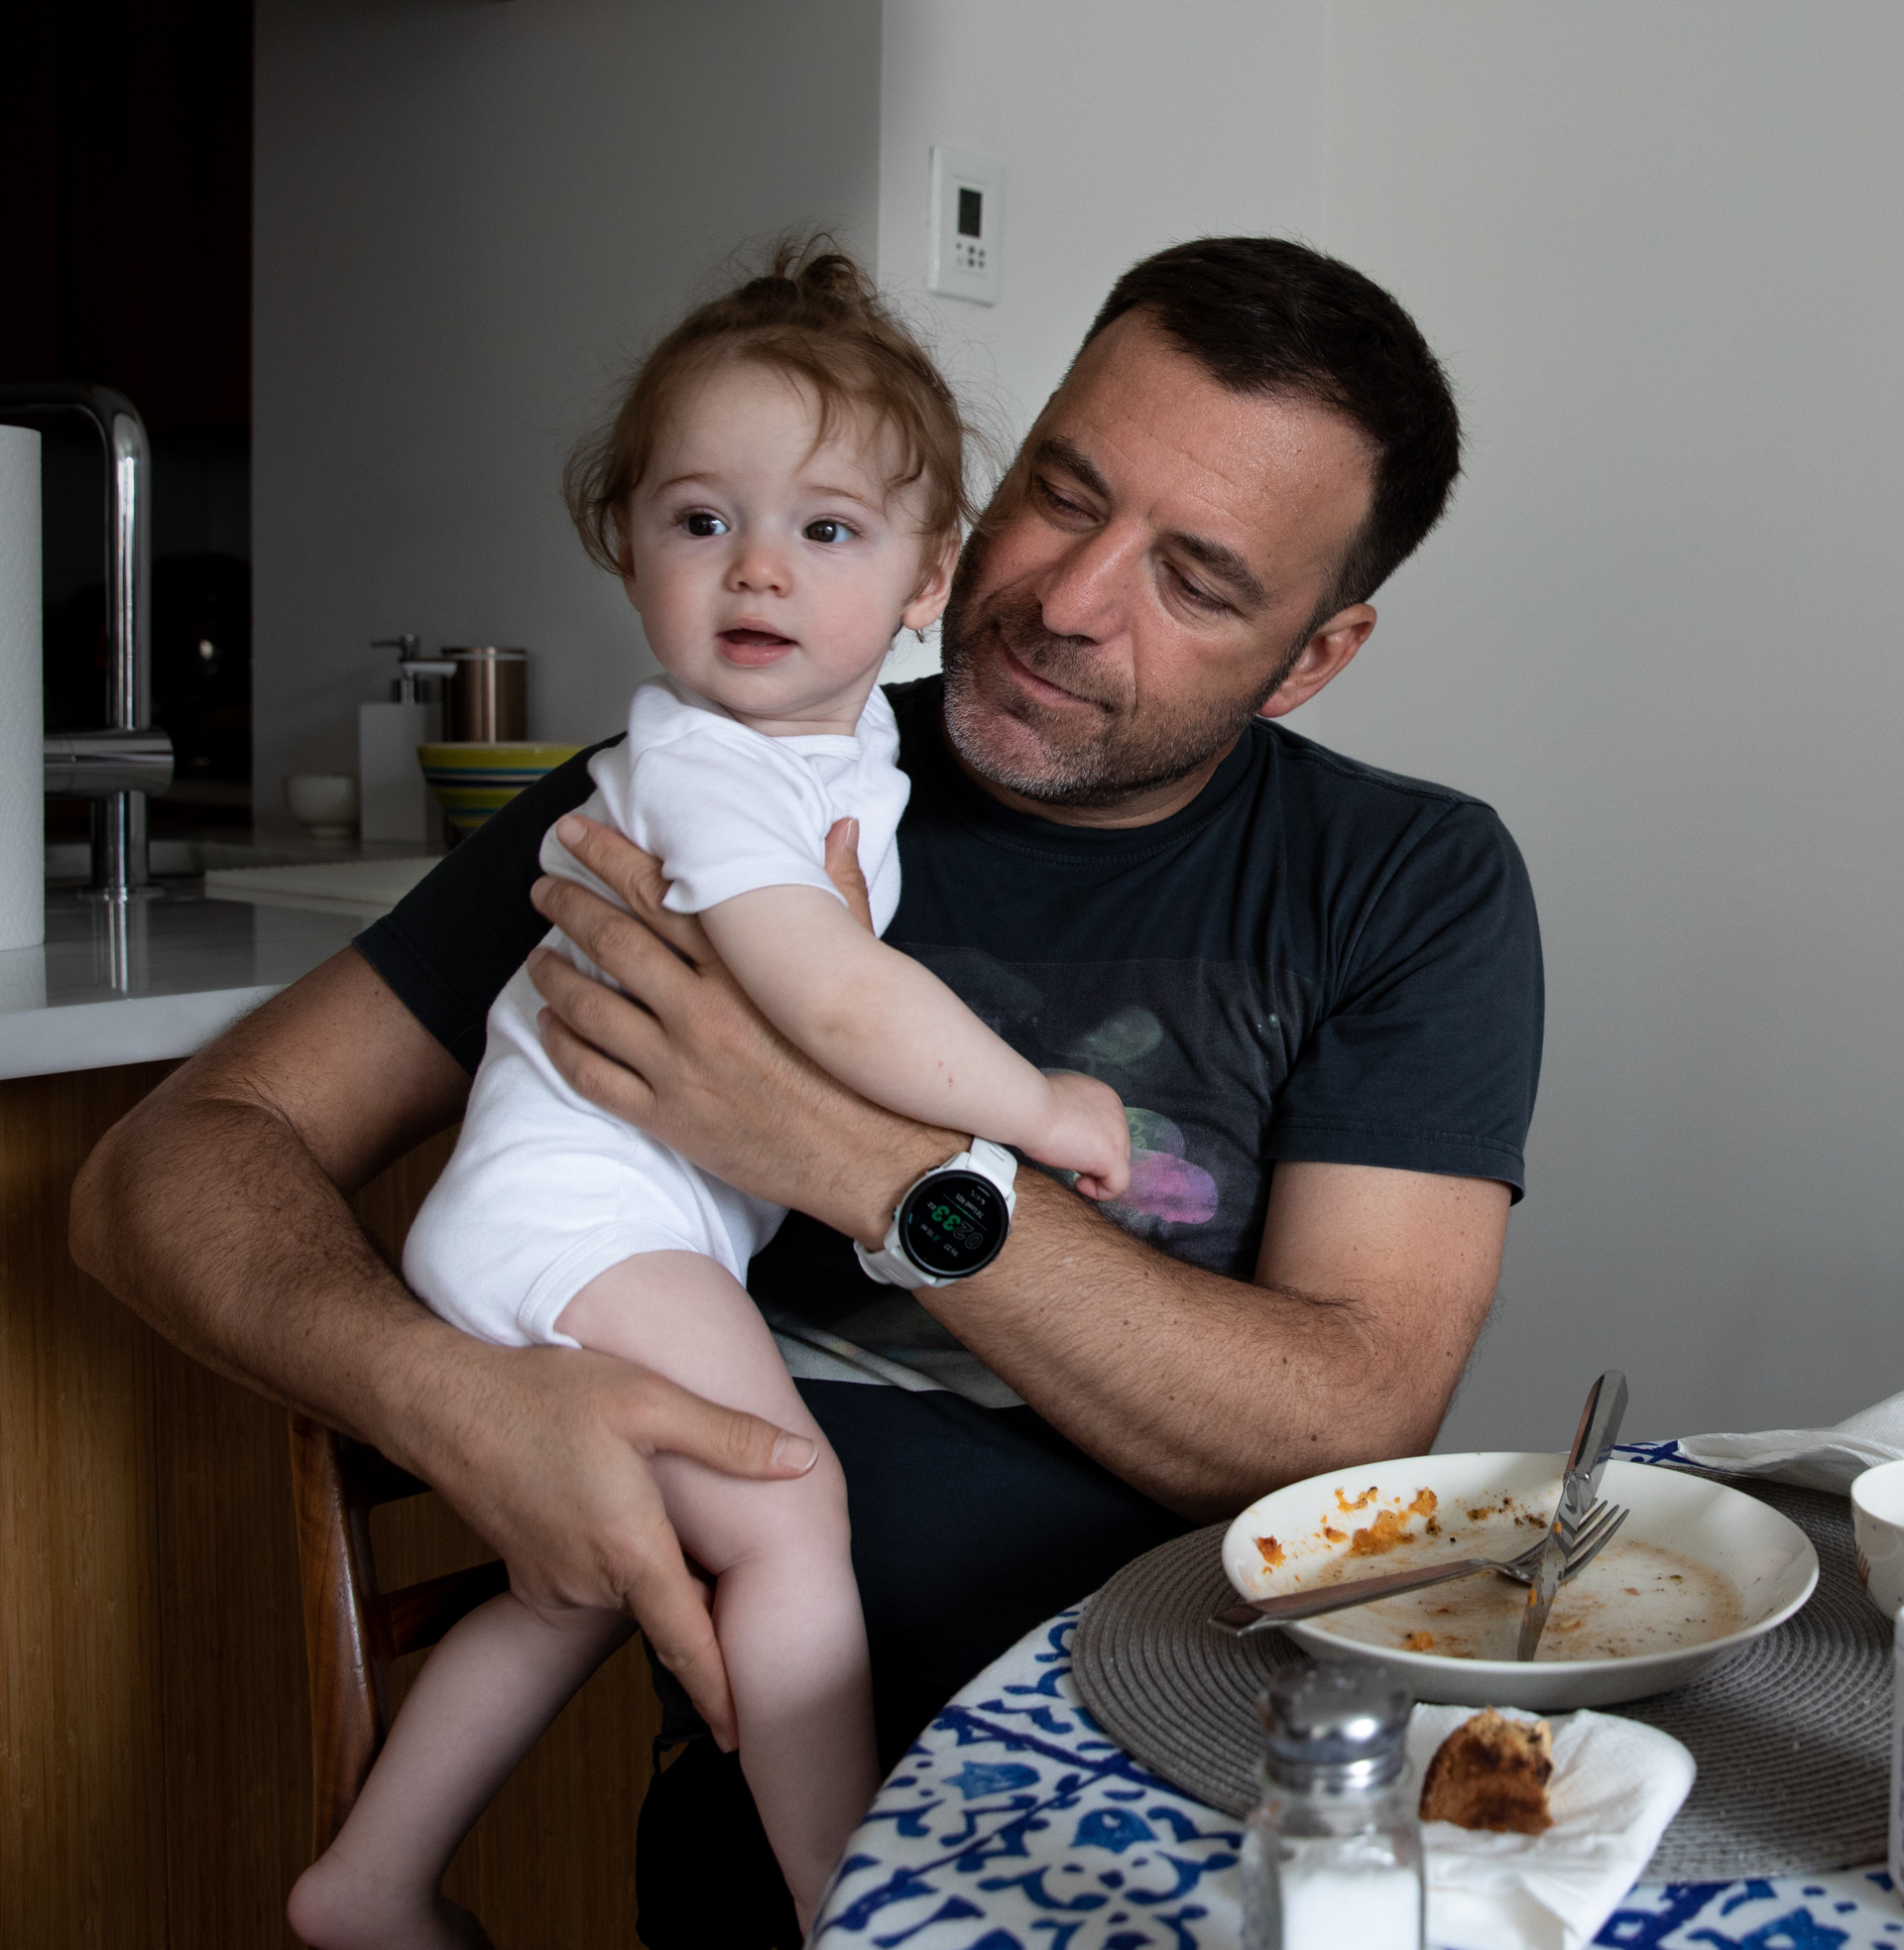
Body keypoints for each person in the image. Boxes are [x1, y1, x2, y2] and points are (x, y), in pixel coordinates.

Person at [71, 235, 1541, 1946]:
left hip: (1206, 1794)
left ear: (1312, 656)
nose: (1071, 600)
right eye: (1063, 494)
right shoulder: (720, 772)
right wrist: (451, 1399)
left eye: (1197, 582)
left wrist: (853, 1156)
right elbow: (167, 1167)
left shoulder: (1402, 880)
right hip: (791, 1811)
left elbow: (1343, 1423)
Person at [289, 249, 1134, 1949]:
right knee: (787, 1507)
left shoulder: (843, 753)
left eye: (826, 529)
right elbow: (828, 997)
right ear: (624, 547)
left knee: (582, 1576)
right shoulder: (707, 764)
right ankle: (849, 1902)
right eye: (698, 521)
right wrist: (1033, 1111)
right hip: (584, 1222)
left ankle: (367, 1881)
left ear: (926, 576)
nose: (756, 566)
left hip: (586, 1221)